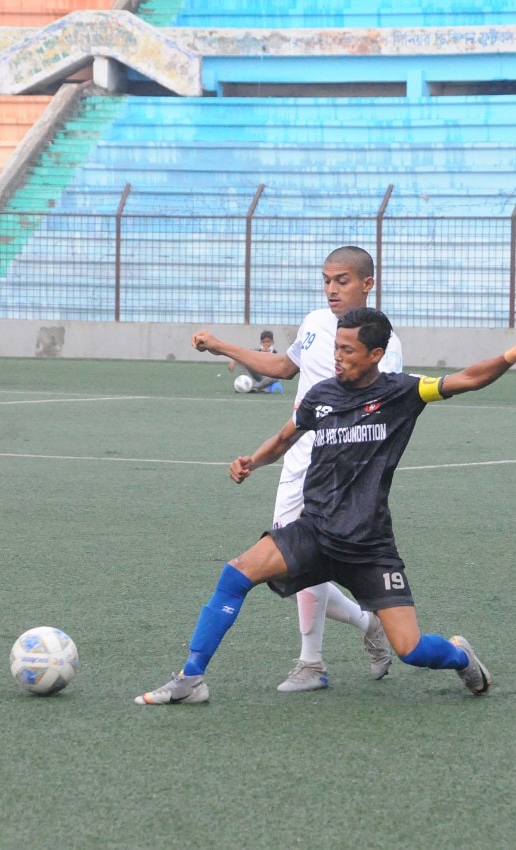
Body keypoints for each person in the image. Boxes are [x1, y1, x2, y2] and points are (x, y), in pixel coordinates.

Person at [136, 309, 516, 705]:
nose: (337, 357)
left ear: (375, 356)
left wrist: (514, 353)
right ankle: (191, 678)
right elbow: (284, 438)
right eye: (336, 348)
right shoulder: (322, 395)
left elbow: (468, 379)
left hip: (369, 547)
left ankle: (461, 656)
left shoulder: (403, 391)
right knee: (236, 573)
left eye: (348, 351)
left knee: (411, 649)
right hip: (313, 530)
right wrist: (253, 462)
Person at [190, 246, 402, 692]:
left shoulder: (387, 346)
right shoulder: (313, 323)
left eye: (341, 280)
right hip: (297, 466)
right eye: (326, 280)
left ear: (367, 284)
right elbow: (285, 367)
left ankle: (312, 663)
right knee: (293, 566)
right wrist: (222, 346)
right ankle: (368, 624)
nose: (330, 290)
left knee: (305, 561)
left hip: (342, 476)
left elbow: (380, 411)